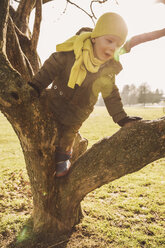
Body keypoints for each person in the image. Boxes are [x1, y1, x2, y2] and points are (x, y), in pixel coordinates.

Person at [28, 12, 142, 177]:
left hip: (78, 112)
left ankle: (64, 158)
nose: (112, 48)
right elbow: (50, 67)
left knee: (67, 136)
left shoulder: (107, 70)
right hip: (54, 102)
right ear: (95, 37)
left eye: (117, 45)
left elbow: (111, 95)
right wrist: (35, 86)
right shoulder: (72, 52)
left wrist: (122, 118)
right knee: (43, 136)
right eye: (109, 40)